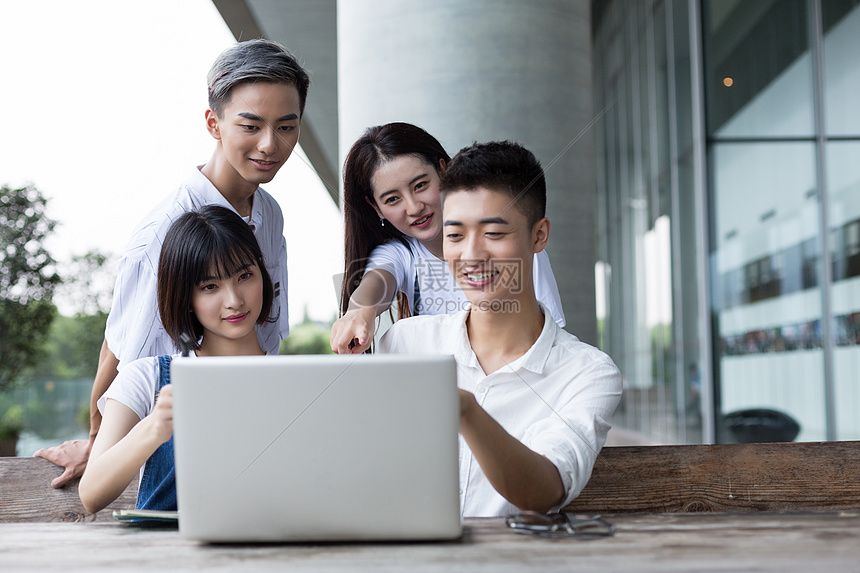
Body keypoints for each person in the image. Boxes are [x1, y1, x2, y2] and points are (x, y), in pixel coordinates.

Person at [36, 39, 310, 488]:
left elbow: (267, 333)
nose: (270, 145)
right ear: (214, 123)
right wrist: (97, 439)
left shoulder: (271, 213)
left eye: (286, 127)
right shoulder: (164, 231)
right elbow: (122, 350)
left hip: (255, 442)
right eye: (251, 125)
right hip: (180, 456)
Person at [378, 141, 622, 517]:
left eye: (493, 233)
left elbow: (546, 490)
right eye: (455, 235)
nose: (471, 255)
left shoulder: (587, 373)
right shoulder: (406, 342)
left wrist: (467, 412)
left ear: (539, 236)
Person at [79, 206, 274, 513]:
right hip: (164, 557)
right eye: (210, 287)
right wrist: (155, 427)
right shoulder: (146, 377)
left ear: (262, 271)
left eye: (245, 276)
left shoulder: (295, 380)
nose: (235, 300)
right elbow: (91, 494)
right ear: (186, 297)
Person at [330, 122, 565, 354]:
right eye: (392, 199)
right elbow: (377, 281)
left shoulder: (512, 247)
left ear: (443, 171)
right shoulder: (402, 253)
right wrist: (359, 310)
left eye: (420, 185)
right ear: (376, 207)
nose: (414, 208)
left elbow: (552, 341)